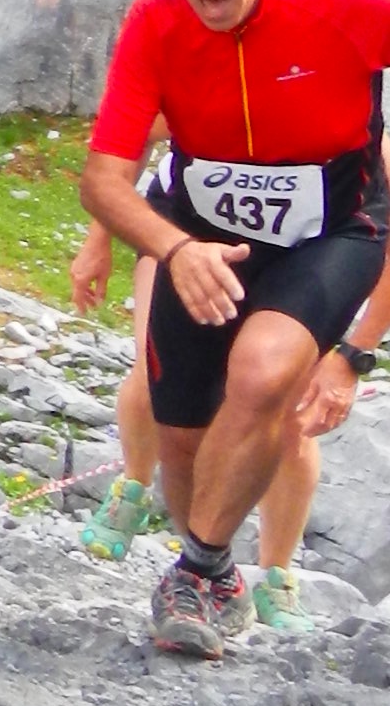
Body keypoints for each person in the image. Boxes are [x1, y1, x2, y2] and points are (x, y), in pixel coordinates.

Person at [78, 0, 390, 656]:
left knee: (260, 376)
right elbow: (103, 180)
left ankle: (197, 568)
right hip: (201, 235)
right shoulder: (156, 18)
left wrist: (357, 350)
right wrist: (174, 248)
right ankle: (211, 572)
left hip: (331, 229)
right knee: (180, 431)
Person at [73, 212, 326, 628]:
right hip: (182, 233)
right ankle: (134, 490)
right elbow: (116, 171)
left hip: (298, 252)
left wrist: (356, 350)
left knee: (290, 414)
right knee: (155, 374)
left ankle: (276, 574)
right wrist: (98, 239)